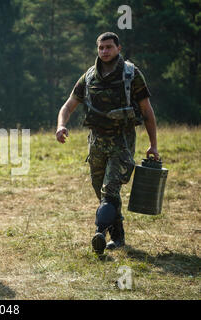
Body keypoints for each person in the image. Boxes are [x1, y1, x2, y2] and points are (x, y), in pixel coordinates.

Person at [55, 32, 159, 255]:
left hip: (121, 143)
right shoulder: (89, 77)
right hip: (96, 144)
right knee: (100, 191)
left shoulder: (131, 75)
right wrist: (61, 125)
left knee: (110, 190)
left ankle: (100, 232)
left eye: (109, 47)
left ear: (118, 48)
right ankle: (118, 236)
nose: (104, 51)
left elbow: (147, 111)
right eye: (101, 47)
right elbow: (68, 105)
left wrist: (153, 144)